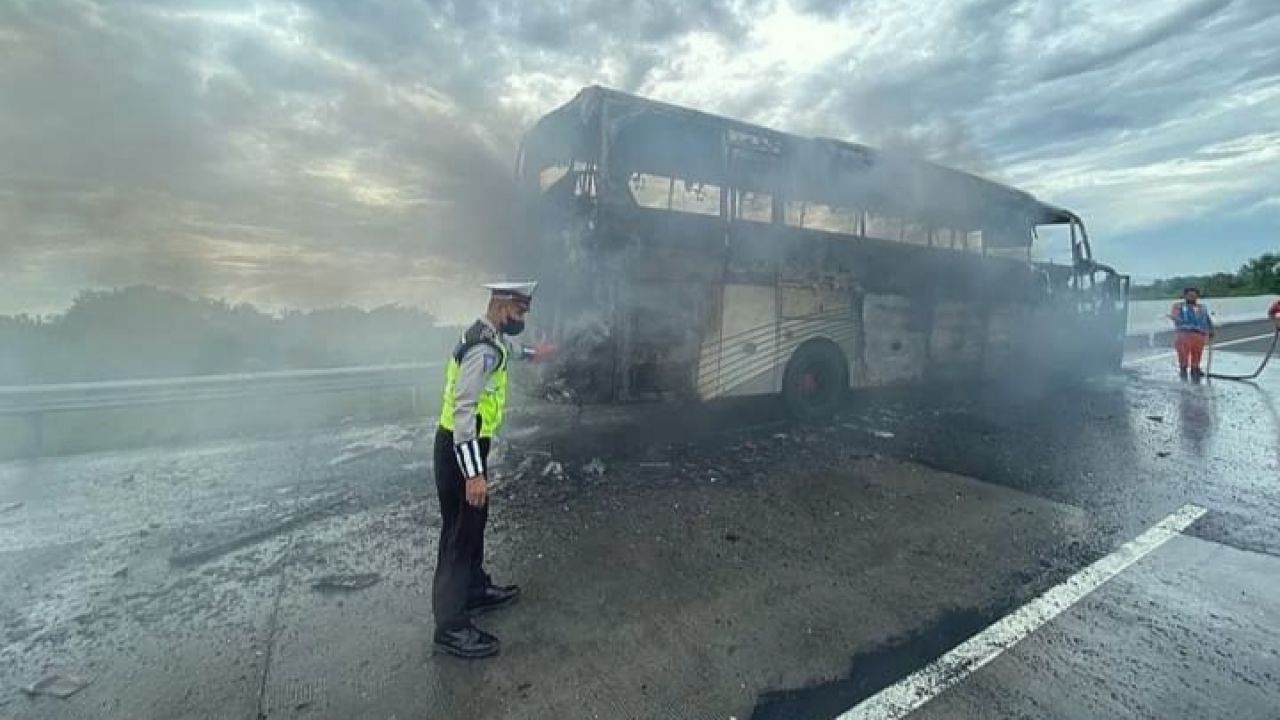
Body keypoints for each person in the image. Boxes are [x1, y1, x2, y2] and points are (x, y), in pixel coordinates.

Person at [432, 281, 552, 659]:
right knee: (457, 535)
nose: (522, 320)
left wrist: (537, 353)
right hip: (458, 448)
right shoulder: (481, 348)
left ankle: (474, 590)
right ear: (501, 306)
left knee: (475, 522)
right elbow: (464, 409)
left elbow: (511, 351)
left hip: (469, 445)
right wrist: (473, 473)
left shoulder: (491, 336)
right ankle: (450, 627)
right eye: (519, 313)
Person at [1168, 287, 1214, 380]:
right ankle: (1183, 375)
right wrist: (1175, 318)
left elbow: (1207, 319)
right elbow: (1175, 317)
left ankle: (1195, 372)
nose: (1192, 297)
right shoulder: (1179, 306)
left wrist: (1211, 330)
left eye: (1194, 295)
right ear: (1185, 296)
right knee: (1183, 357)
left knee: (1197, 357)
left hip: (1199, 336)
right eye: (1190, 295)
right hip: (1184, 335)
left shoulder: (1202, 307)